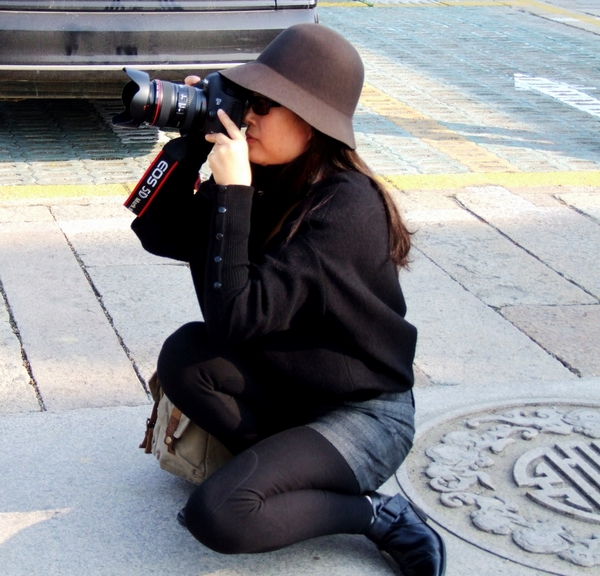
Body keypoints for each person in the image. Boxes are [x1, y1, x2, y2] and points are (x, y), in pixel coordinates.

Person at [132, 23, 445, 576]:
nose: (247, 116)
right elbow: (159, 234)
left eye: (263, 105)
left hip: (362, 413)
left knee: (220, 514)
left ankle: (376, 514)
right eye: (245, 98)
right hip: (292, 385)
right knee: (184, 355)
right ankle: (287, 468)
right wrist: (190, 143)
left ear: (312, 120)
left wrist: (232, 192)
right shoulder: (268, 175)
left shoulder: (346, 207)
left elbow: (235, 318)